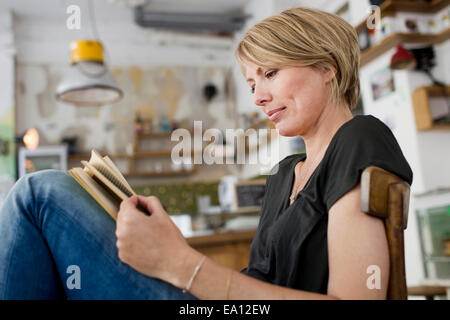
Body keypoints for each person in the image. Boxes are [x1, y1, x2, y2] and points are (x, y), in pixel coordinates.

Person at [0, 7, 412, 300]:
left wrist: (183, 265)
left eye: (270, 73)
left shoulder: (359, 137)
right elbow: (256, 285)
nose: (260, 97)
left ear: (327, 68)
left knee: (40, 194)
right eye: (252, 84)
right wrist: (179, 253)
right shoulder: (285, 172)